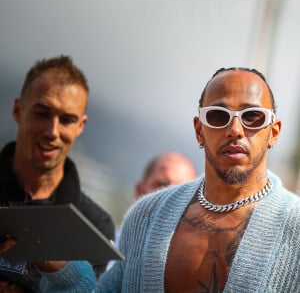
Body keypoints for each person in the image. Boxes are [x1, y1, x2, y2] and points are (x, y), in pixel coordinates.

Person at [5, 67, 300, 292]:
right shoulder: (146, 216)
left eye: (253, 117)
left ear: (273, 131)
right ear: (199, 130)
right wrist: (62, 269)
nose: (235, 129)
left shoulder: (296, 229)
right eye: (219, 116)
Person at [0, 55, 115, 291]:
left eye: (66, 119)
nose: (52, 131)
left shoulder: (94, 225)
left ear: (81, 126)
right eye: (42, 113)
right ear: (17, 110)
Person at [106, 151, 197, 271]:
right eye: (162, 185)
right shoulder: (103, 247)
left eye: (183, 190)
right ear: (140, 192)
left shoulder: (196, 268)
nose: (171, 196)